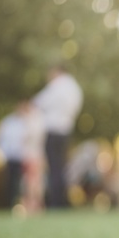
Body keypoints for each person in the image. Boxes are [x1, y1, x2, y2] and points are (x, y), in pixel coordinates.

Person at [32, 63, 82, 209]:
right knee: (61, 167)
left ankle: (55, 202)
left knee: (53, 168)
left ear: (56, 72)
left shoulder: (57, 85)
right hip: (66, 130)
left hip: (52, 130)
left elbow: (39, 102)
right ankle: (62, 201)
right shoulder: (75, 88)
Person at [0, 101, 45, 212]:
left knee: (31, 183)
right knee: (14, 183)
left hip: (29, 156)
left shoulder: (34, 120)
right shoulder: (9, 122)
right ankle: (12, 205)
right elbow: (1, 139)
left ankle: (34, 206)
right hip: (13, 157)